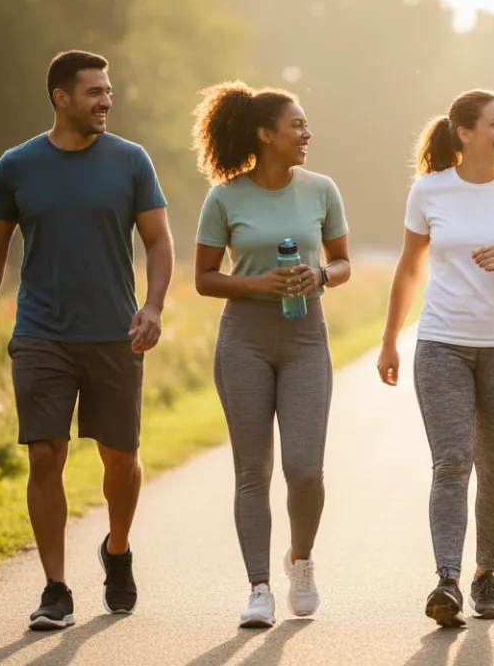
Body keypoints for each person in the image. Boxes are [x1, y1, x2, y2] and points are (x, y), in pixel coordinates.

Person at [0, 50, 174, 631]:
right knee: (45, 454)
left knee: (120, 459)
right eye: (94, 93)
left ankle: (118, 549)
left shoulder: (131, 161)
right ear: (61, 97)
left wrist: (152, 305)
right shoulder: (17, 165)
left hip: (115, 333)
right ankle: (55, 589)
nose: (106, 101)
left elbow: (159, 241)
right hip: (40, 334)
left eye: (108, 92)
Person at [377, 89, 494, 627]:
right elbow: (410, 268)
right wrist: (390, 339)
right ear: (464, 132)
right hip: (442, 344)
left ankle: (485, 575)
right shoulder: (429, 190)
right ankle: (448, 579)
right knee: (452, 460)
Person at [191, 81, 350, 628]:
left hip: (307, 339)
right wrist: (260, 284)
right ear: (266, 134)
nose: (307, 134)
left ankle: (300, 562)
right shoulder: (226, 197)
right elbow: (205, 280)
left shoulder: (322, 189)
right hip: (245, 342)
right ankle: (258, 586)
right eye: (297, 126)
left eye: (305, 126)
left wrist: (320, 274)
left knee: (305, 468)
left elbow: (343, 262)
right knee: (251, 469)